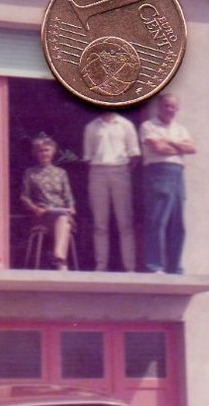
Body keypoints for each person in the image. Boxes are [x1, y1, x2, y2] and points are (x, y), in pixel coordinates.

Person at [139, 93, 196, 274]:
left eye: (173, 107)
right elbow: (158, 148)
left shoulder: (180, 128)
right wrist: (179, 146)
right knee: (157, 221)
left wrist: (169, 141)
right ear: (159, 107)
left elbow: (192, 148)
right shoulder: (148, 126)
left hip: (178, 174)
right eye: (166, 106)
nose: (170, 110)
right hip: (158, 172)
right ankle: (155, 266)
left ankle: (174, 267)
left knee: (177, 224)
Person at [83, 111, 140, 272]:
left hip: (120, 171)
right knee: (100, 223)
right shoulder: (91, 127)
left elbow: (134, 154)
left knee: (125, 222)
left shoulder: (126, 125)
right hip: (97, 172)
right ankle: (101, 266)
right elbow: (88, 156)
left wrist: (122, 170)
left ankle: (130, 268)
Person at [20, 136, 76, 270]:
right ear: (36, 153)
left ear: (53, 152)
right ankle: (61, 263)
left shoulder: (61, 173)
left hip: (60, 212)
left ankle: (58, 256)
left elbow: (68, 196)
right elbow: (24, 197)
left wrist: (72, 207)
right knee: (64, 222)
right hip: (42, 215)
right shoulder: (31, 173)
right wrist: (35, 208)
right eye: (40, 151)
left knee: (63, 219)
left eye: (47, 150)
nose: (44, 154)